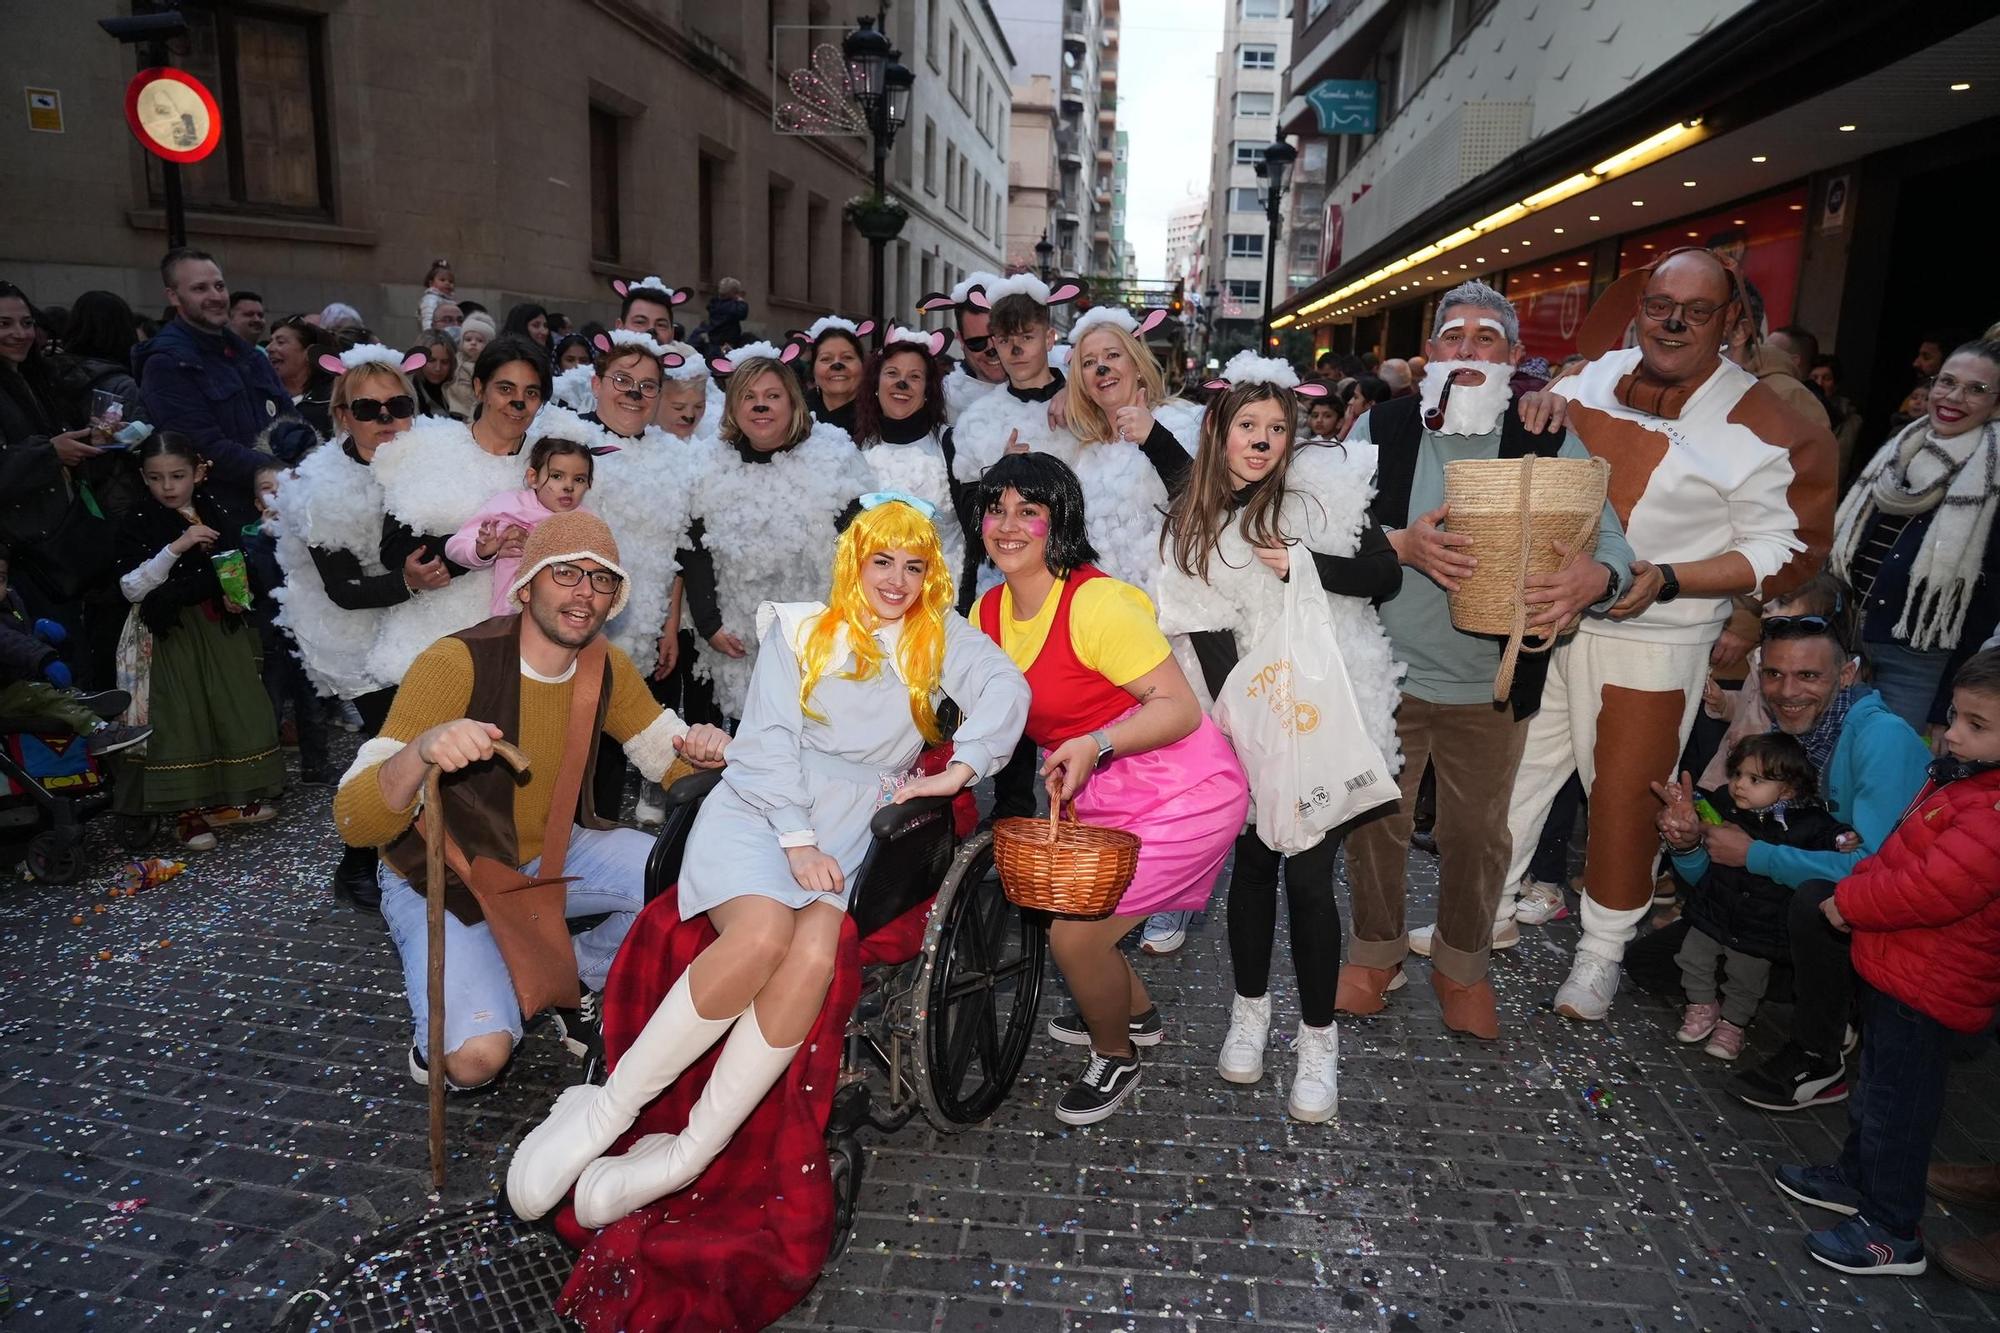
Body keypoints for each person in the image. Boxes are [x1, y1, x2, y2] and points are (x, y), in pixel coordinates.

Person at [508, 496, 1026, 1225]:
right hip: (761, 810)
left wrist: (962, 766)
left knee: (812, 958)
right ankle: (605, 1110)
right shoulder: (802, 628)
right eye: (882, 561)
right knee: (760, 937)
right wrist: (797, 838)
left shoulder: (938, 637)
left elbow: (1008, 688)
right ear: (855, 562)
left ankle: (686, 1152)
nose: (898, 580)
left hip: (852, 832)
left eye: (914, 566)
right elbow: (772, 741)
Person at [1512, 248, 1837, 1023]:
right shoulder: (1590, 375)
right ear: (1639, 306)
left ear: (1731, 319)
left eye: (1696, 309)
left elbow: (1788, 547)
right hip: (1549, 618)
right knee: (1513, 774)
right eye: (1661, 303)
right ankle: (1482, 910)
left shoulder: (1772, 422)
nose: (1674, 322)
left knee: (1626, 796)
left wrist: (1669, 576)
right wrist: (1536, 405)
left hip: (1655, 636)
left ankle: (1601, 953)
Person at [334, 509, 730, 1089]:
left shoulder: (605, 666)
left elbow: (668, 760)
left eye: (600, 579)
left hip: (548, 857)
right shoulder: (454, 662)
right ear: (526, 585)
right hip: (444, 876)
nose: (584, 593)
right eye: (565, 573)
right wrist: (418, 752)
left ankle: (571, 970)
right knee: (475, 1061)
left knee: (688, 874)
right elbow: (355, 819)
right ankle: (477, 993)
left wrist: (706, 754)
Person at [1340, 281, 1634, 1037]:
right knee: (1377, 821)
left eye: (1487, 338)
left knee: (1478, 834)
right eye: (1453, 336)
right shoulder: (1382, 423)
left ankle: (1461, 963)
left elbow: (1610, 542)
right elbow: (1322, 524)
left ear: (1514, 358)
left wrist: (1597, 578)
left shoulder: (1541, 431)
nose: (1467, 350)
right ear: (1428, 353)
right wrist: (1399, 544)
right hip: (1384, 670)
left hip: (1491, 681)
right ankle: (1376, 953)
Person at [1153, 352, 1400, 1118]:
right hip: (1243, 723)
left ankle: (1318, 1041)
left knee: (1307, 879)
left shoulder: (1315, 502)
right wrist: (1248, 731)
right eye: (1248, 426)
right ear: (1219, 432)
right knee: (1255, 870)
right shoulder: (1189, 517)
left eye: (1277, 428)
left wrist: (1304, 565)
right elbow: (1196, 628)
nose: (1261, 440)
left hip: (1317, 719)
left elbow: (1384, 576)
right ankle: (1249, 1014)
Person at [975, 453, 1248, 1124]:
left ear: (1058, 521)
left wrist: (1096, 743)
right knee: (1089, 923)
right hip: (1103, 795)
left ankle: (1116, 1053)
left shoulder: (1096, 602)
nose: (1008, 526)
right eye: (997, 508)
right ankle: (1139, 1015)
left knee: (1073, 937)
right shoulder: (987, 609)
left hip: (1185, 789)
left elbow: (1180, 708)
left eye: (1028, 511)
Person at [1769, 649, 2000, 1278]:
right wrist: (1865, 873)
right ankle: (1855, 1177)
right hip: (1902, 971)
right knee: (1876, 1090)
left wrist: (1853, 901)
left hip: (1930, 985)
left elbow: (1933, 887)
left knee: (1899, 1109)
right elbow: (1901, 853)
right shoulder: (1964, 780)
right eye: (1956, 716)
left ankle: (1892, 1230)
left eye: (1977, 726)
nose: (1952, 732)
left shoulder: (1992, 811)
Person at [1718, 609, 1932, 1113]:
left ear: (1848, 674)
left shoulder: (1878, 737)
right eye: (1774, 674)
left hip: (1910, 921)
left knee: (1817, 899)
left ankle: (1819, 1058)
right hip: (1821, 897)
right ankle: (1840, 1001)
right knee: (1658, 966)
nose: (1787, 691)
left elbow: (1871, 873)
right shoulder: (1801, 732)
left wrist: (1755, 854)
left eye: (1808, 676)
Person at [274, 344, 438, 911]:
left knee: (423, 743)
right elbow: (342, 591)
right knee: (389, 748)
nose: (386, 420)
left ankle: (410, 854)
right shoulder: (322, 487)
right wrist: (411, 583)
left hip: (414, 619)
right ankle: (357, 862)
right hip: (351, 636)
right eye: (369, 410)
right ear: (343, 416)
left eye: (398, 406)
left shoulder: (426, 460)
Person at [679, 342, 872, 721]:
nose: (760, 405)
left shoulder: (833, 458)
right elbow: (695, 549)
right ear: (733, 406)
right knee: (740, 740)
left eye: (772, 395)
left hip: (814, 638)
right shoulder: (707, 463)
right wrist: (709, 623)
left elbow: (859, 548)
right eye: (748, 396)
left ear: (793, 402)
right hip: (735, 639)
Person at [114, 433, 283, 850]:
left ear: (199, 473)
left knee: (231, 706)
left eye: (177, 476)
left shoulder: (217, 511)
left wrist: (238, 594)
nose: (167, 486)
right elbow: (131, 587)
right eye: (156, 478)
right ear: (143, 478)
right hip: (170, 634)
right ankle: (187, 811)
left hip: (217, 628)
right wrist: (178, 546)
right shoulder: (139, 520)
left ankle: (226, 798)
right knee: (182, 717)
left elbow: (235, 562)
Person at [1829, 338, 1999, 737]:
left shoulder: (1993, 476)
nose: (1954, 397)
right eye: (1947, 382)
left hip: (1919, 662)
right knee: (1827, 771)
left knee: (1888, 776)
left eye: (1977, 389)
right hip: (1848, 640)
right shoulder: (1902, 446)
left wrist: (1948, 706)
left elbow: (1988, 603)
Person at [366, 336, 552, 691]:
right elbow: (393, 549)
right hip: (433, 642)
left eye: (531, 393)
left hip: (522, 648)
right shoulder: (429, 448)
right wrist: (476, 550)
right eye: (506, 388)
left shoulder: (551, 462)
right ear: (480, 388)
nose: (518, 402)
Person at [1657, 733, 1847, 1060]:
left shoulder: (1808, 824)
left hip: (1761, 923)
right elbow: (1703, 819)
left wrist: (1845, 838)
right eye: (1738, 775)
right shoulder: (1726, 804)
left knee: (1747, 977)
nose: (1740, 785)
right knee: (1691, 956)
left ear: (1787, 789)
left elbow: (1833, 844)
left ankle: (1733, 1024)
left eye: (1755, 779)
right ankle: (1702, 1005)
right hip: (1713, 910)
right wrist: (1689, 813)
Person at [0, 281, 118, 688]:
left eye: (27, 322)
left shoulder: (34, 379)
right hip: (21, 557)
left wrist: (89, 439)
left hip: (57, 546)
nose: (19, 333)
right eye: (4, 323)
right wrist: (50, 453)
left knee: (72, 653)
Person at [1058, 306, 1204, 594]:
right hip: (1107, 617)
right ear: (1084, 384)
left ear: (1136, 366)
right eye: (1089, 362)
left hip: (1173, 617)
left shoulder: (1184, 424)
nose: (1102, 368)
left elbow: (1203, 505)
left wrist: (1154, 438)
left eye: (1113, 355)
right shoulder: (1082, 454)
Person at [135, 249, 298, 494]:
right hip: (223, 510)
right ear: (174, 296)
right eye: (200, 288)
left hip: (280, 499)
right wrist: (285, 473)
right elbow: (203, 447)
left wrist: (314, 463)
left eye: (219, 286)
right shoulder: (167, 363)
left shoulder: (250, 356)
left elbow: (292, 422)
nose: (216, 296)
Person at [0, 543, 151, 756]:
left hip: (16, 684)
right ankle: (97, 730)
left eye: (1, 578)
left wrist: (37, 630)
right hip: (7, 691)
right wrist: (44, 658)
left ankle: (73, 700)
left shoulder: (10, 600)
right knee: (38, 693)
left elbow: (15, 638)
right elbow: (7, 642)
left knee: (45, 691)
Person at [851, 328, 966, 593]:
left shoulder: (952, 445)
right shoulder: (855, 448)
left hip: (939, 601)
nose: (901, 384)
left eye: (914, 377)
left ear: (927, 390)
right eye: (892, 374)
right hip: (870, 600)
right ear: (876, 384)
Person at [241, 463, 330, 784]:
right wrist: (267, 539)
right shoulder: (251, 539)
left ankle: (316, 766)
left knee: (313, 705)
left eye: (285, 485)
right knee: (270, 708)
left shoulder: (309, 531)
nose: (277, 492)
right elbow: (263, 582)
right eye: (268, 487)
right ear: (257, 503)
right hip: (271, 636)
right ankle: (265, 776)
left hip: (306, 634)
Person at [446, 434, 599, 618]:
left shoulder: (587, 524)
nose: (568, 486)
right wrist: (482, 551)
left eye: (579, 479)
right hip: (509, 617)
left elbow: (603, 570)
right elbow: (454, 546)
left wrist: (537, 548)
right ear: (533, 477)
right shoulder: (509, 505)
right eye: (557, 476)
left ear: (589, 484)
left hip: (565, 618)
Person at [1721, 282, 1830, 432]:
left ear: (1740, 331)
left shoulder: (1790, 397)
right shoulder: (1690, 382)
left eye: (1698, 313)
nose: (1678, 324)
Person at [916, 272, 1007, 422]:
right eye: (977, 342)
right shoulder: (940, 403)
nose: (992, 349)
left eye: (1000, 337)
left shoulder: (1050, 392)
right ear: (961, 340)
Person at [264, 314, 335, 439]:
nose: (269, 348)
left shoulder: (332, 401)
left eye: (280, 342)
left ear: (309, 353)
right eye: (270, 342)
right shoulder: (263, 397)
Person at [799, 316, 870, 435]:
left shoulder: (879, 415)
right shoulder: (796, 415)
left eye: (847, 357)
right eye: (826, 359)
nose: (837, 365)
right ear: (813, 369)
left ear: (862, 365)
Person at [1808, 354, 1863, 479]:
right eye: (1814, 377)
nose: (1819, 383)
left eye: (1827, 378)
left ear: (1836, 384)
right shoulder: (1796, 413)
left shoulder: (1852, 422)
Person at [446, 311, 494, 420]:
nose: (473, 343)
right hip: (451, 405)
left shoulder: (487, 365)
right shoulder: (456, 359)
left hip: (473, 408)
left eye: (480, 340)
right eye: (468, 339)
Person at [613, 277, 690, 340]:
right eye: (640, 322)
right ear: (620, 327)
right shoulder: (604, 358)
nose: (651, 331)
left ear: (672, 333)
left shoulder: (691, 358)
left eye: (661, 325)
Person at [695, 278, 749, 356]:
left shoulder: (714, 304)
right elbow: (743, 313)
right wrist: (740, 300)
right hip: (728, 344)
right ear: (733, 293)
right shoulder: (732, 306)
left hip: (713, 342)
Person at [411, 331, 457, 418]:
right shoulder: (407, 390)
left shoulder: (459, 390)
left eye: (445, 362)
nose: (438, 368)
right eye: (431, 360)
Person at [1336, 374, 1389, 440]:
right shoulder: (1351, 421)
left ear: (1370, 404)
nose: (1350, 402)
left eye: (1356, 397)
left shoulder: (1368, 427)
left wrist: (1345, 428)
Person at [416, 259, 455, 332]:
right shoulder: (430, 299)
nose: (447, 283)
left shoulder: (451, 301)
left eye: (451, 281)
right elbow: (428, 320)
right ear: (431, 283)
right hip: (435, 337)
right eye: (442, 280)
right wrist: (431, 337)